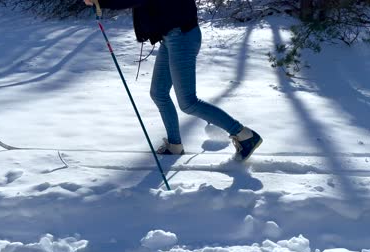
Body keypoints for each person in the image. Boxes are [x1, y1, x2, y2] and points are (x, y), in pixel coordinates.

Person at [84, 0, 262, 161]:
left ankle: (244, 135)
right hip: (171, 36)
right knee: (159, 93)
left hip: (182, 36)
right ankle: (174, 145)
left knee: (188, 102)